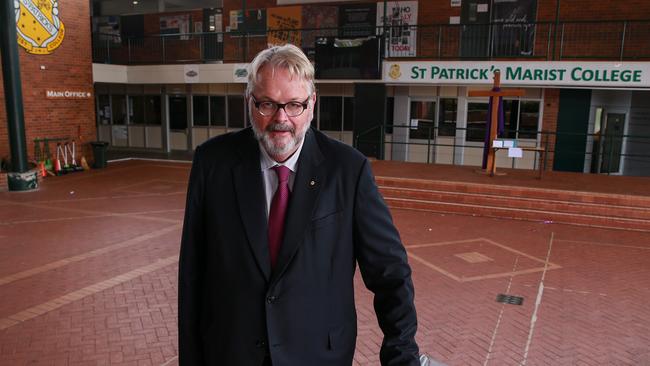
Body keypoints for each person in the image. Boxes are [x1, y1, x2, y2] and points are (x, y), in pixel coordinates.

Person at [178, 43, 419, 366]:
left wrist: (401, 356)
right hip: (231, 353)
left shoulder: (348, 170)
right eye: (267, 104)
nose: (281, 119)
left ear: (313, 104)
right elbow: (192, 275)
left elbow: (391, 274)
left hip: (318, 356)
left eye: (294, 105)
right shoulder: (212, 163)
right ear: (249, 102)